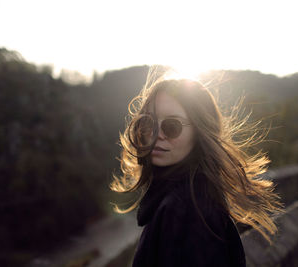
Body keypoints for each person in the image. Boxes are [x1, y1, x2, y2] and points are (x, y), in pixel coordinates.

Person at [110, 69, 284, 267]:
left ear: (199, 132)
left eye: (172, 126)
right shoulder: (184, 200)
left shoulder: (186, 210)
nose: (156, 135)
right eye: (148, 123)